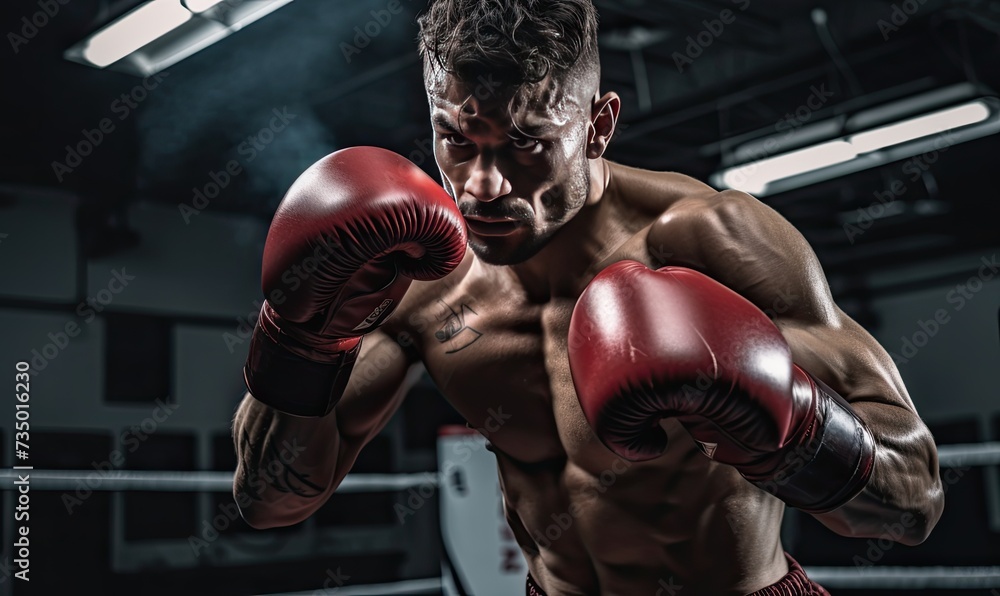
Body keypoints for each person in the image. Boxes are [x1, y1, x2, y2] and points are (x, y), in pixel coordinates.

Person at [231, 1, 945, 593]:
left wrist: (788, 422)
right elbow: (270, 500)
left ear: (598, 125)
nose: (482, 186)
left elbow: (914, 504)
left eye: (526, 143)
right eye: (454, 139)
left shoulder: (713, 239)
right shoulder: (420, 276)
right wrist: (303, 334)